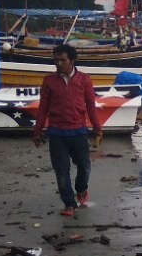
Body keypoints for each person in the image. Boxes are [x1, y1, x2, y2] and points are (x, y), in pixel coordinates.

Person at [32, 44, 103, 216]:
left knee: (84, 167)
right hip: (57, 133)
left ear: (72, 60)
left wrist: (97, 129)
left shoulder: (84, 80)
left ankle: (81, 189)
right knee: (61, 171)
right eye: (56, 60)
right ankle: (69, 204)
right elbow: (43, 108)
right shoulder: (49, 81)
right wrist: (37, 131)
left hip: (78, 131)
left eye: (62, 60)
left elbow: (90, 107)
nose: (58, 64)